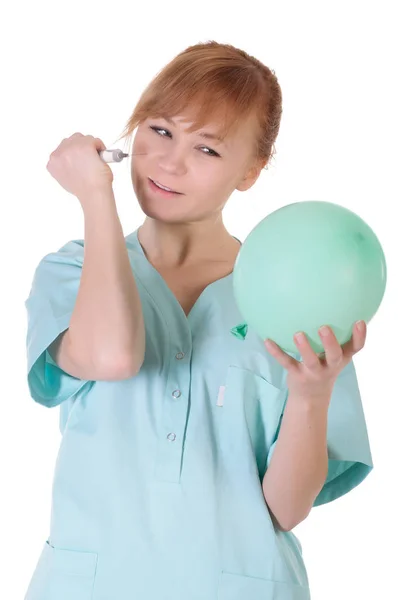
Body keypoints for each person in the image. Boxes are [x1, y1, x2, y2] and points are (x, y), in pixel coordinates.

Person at [24, 41, 372, 600]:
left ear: (251, 172)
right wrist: (95, 198)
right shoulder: (70, 270)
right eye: (159, 130)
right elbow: (112, 356)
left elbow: (285, 508)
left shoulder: (297, 293)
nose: (169, 161)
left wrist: (310, 396)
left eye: (207, 149)